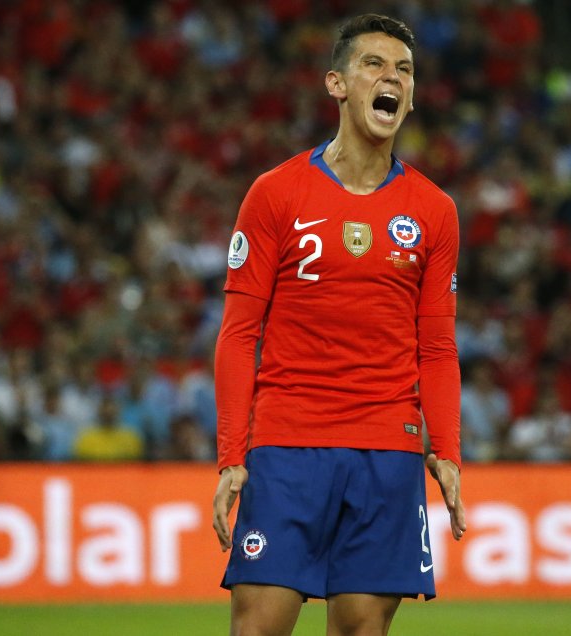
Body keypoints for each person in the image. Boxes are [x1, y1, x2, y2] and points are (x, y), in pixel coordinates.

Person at [210, 13, 465, 636]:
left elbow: (436, 347)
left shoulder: (434, 210)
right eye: (374, 64)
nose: (392, 78)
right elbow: (239, 334)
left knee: (360, 631)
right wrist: (231, 455)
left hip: (388, 449)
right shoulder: (275, 194)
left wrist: (447, 452)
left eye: (404, 70)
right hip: (287, 444)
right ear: (337, 84)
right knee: (257, 629)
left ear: (411, 96)